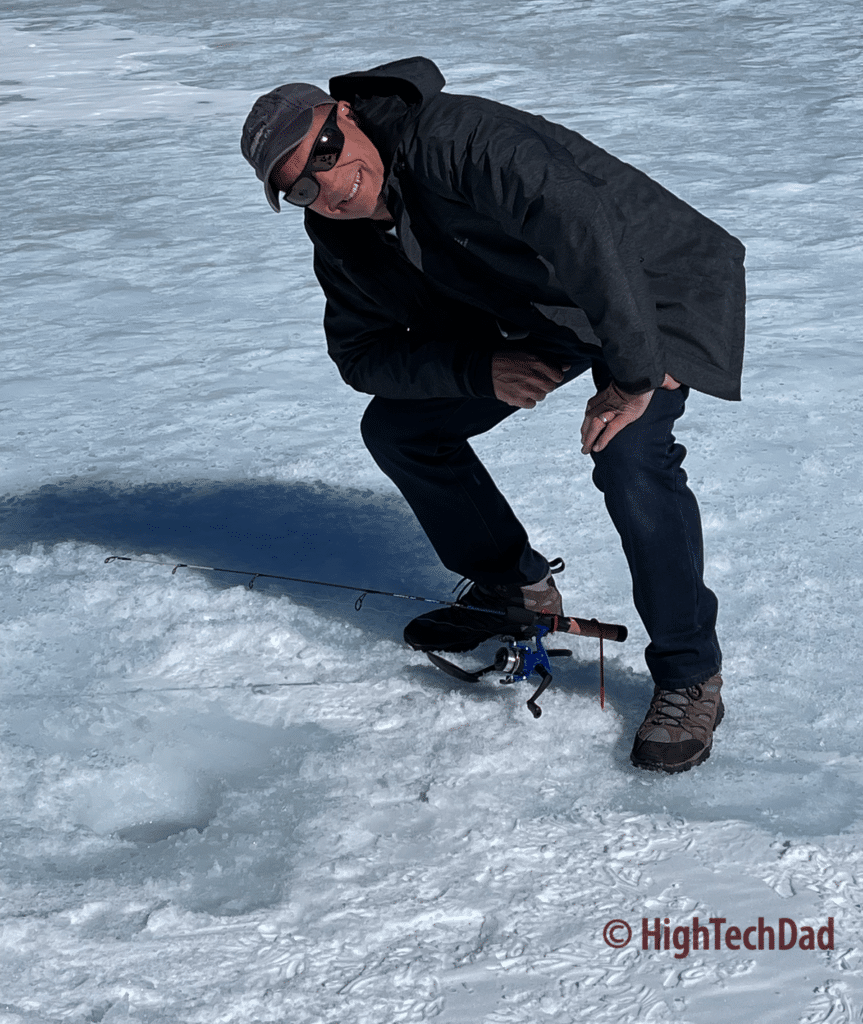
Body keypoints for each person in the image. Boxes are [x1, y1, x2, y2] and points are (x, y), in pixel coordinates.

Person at [241, 57, 745, 774]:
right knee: (399, 429)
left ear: (346, 113)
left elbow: (589, 233)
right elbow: (361, 355)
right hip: (534, 313)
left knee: (630, 455)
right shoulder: (343, 237)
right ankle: (515, 590)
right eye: (300, 186)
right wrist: (478, 370)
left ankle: (689, 673)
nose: (328, 181)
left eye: (324, 149)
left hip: (652, 288)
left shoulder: (460, 138)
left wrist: (633, 372)